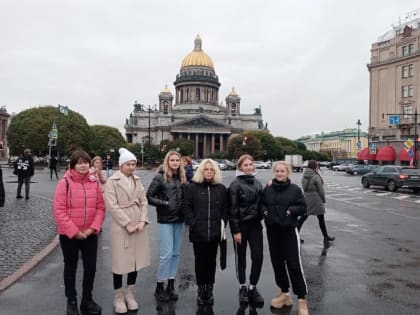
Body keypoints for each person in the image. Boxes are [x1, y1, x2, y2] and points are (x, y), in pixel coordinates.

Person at [53, 150, 105, 315]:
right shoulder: (65, 183)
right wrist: (75, 232)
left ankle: (87, 300)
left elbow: (100, 208)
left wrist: (92, 229)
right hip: (69, 235)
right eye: (79, 162)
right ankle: (72, 300)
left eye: (85, 162)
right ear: (73, 165)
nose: (83, 165)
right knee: (71, 267)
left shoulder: (94, 182)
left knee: (90, 268)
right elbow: (59, 210)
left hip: (90, 233)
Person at [105, 148, 150, 314]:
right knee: (120, 262)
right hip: (121, 226)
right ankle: (118, 296)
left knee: (135, 261)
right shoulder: (112, 181)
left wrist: (143, 220)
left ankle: (130, 293)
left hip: (138, 224)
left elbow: (144, 201)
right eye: (128, 164)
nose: (131, 167)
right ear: (121, 165)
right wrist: (127, 223)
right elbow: (112, 206)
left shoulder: (137, 180)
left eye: (134, 164)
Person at [262, 161, 309, 315]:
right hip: (273, 231)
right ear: (274, 172)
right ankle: (284, 294)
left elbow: (303, 207)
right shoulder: (268, 189)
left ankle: (301, 299)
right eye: (277, 171)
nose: (280, 173)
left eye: (282, 171)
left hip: (289, 231)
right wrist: (265, 212)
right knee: (277, 263)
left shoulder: (295, 190)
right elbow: (261, 204)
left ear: (288, 172)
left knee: (294, 264)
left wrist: (290, 211)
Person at [183, 159, 228, 305]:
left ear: (215, 172)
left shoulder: (221, 188)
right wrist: (192, 222)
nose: (209, 171)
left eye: (212, 169)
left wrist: (222, 223)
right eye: (206, 169)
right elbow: (186, 206)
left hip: (214, 233)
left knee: (211, 262)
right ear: (201, 171)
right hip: (198, 233)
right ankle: (201, 289)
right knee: (200, 262)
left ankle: (209, 289)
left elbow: (225, 209)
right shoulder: (192, 188)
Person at [147, 150, 187, 302]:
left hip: (179, 220)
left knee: (176, 253)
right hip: (165, 220)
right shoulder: (160, 177)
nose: (175, 163)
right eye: (172, 160)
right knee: (166, 254)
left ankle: (171, 283)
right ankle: (159, 285)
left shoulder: (182, 178)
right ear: (167, 161)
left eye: (177, 160)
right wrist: (165, 204)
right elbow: (149, 196)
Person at [228, 154, 264, 305]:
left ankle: (253, 286)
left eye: (251, 164)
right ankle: (242, 286)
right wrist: (236, 231)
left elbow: (263, 204)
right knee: (241, 258)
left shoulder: (258, 183)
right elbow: (232, 209)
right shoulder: (235, 184)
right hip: (241, 226)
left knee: (258, 256)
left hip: (255, 225)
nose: (249, 167)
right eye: (246, 165)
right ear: (240, 167)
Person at [299, 160, 335, 248]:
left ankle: (296, 234)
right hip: (315, 199)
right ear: (315, 167)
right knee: (321, 218)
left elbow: (303, 187)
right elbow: (321, 190)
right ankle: (326, 237)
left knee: (303, 217)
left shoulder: (304, 175)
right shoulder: (315, 176)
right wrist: (323, 199)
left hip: (306, 197)